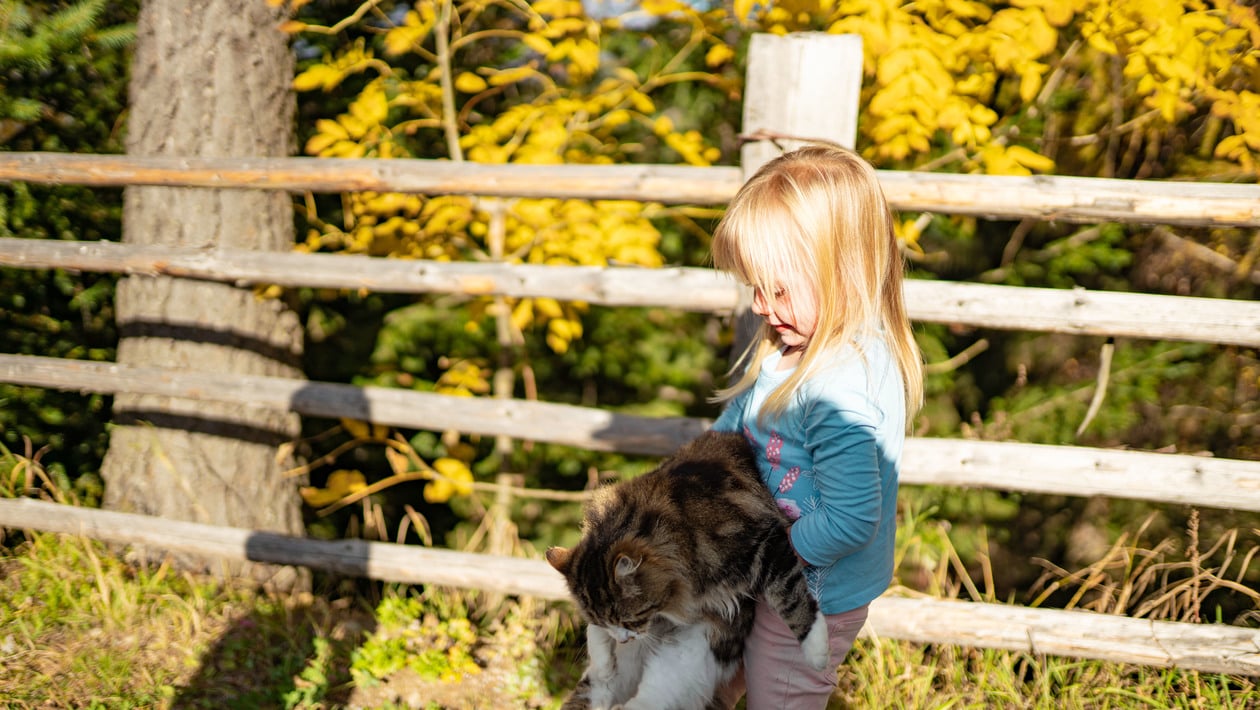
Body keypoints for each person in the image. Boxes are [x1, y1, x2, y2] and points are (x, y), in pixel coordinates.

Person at [709, 142, 924, 709]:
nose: (759, 305)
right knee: (720, 678)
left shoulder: (839, 384)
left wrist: (763, 561)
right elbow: (739, 429)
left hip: (811, 596)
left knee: (780, 698)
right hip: (776, 573)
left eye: (777, 289)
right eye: (753, 286)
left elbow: (851, 519)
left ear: (843, 272)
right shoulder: (793, 346)